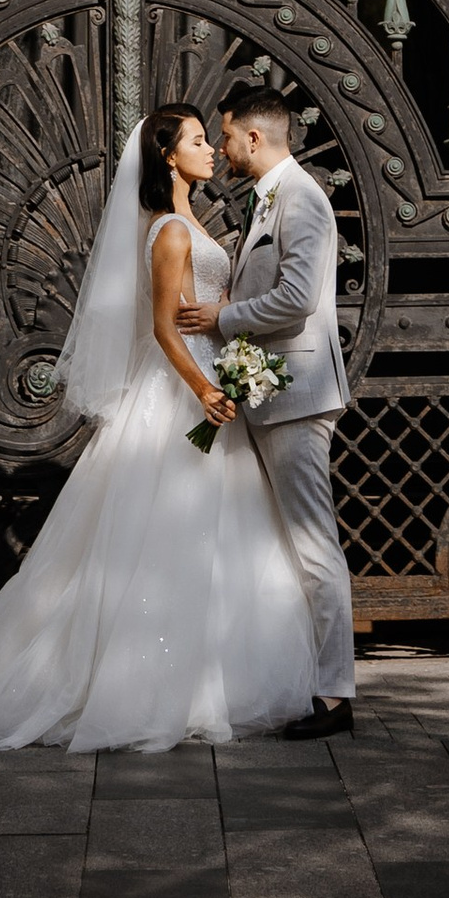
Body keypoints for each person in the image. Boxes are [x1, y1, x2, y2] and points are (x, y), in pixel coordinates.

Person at [0, 102, 320, 751]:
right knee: (164, 537)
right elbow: (163, 329)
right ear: (168, 156)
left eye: (211, 140)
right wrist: (204, 387)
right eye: (200, 141)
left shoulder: (193, 220)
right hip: (178, 393)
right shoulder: (169, 231)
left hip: (211, 388)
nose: (210, 150)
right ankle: (137, 682)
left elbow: (209, 310)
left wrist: (232, 357)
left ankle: (212, 676)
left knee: (216, 536)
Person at [178, 82, 357, 742]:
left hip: (298, 396)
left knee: (313, 543)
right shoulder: (270, 198)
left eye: (225, 136)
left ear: (254, 137)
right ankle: (296, 675)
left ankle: (336, 694)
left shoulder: (302, 200)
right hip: (269, 395)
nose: (222, 148)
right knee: (287, 544)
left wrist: (221, 318)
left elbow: (297, 300)